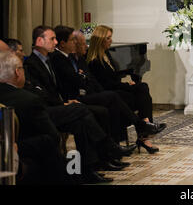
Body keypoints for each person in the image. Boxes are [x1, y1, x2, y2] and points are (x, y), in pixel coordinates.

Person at [23, 25, 133, 183]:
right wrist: (64, 102)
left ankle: (90, 168)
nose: (55, 42)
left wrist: (65, 101)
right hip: (47, 110)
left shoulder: (48, 60)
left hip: (60, 104)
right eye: (52, 39)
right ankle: (108, 148)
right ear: (40, 41)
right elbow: (40, 93)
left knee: (82, 122)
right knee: (83, 110)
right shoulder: (33, 64)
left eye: (56, 38)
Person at [0, 51, 76, 184]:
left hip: (11, 150)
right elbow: (53, 136)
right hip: (14, 156)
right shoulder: (29, 100)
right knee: (47, 143)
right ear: (18, 72)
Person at [86, 25, 165, 153]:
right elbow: (107, 84)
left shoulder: (106, 54)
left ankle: (145, 125)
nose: (111, 40)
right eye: (108, 38)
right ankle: (144, 133)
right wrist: (127, 85)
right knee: (140, 93)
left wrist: (128, 84)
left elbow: (114, 78)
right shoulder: (95, 61)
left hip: (115, 90)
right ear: (100, 40)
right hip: (108, 94)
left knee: (142, 88)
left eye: (110, 37)